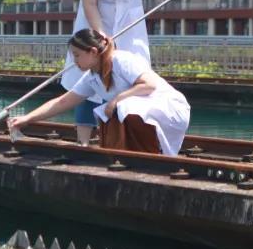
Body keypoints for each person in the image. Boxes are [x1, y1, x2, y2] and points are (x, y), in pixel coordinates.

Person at [63, 0, 227, 146]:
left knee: (131, 80)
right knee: (88, 80)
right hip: (95, 24)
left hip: (129, 26)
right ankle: (83, 143)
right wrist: (101, 36)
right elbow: (89, 3)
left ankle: (122, 140)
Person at [10, 29, 191, 156]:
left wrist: (116, 100)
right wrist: (27, 119)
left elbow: (149, 85)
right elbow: (63, 102)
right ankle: (130, 153)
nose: (74, 60)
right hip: (146, 112)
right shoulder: (92, 77)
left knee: (122, 107)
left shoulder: (121, 60)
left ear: (93, 52)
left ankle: (146, 154)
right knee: (112, 111)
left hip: (169, 108)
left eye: (77, 55)